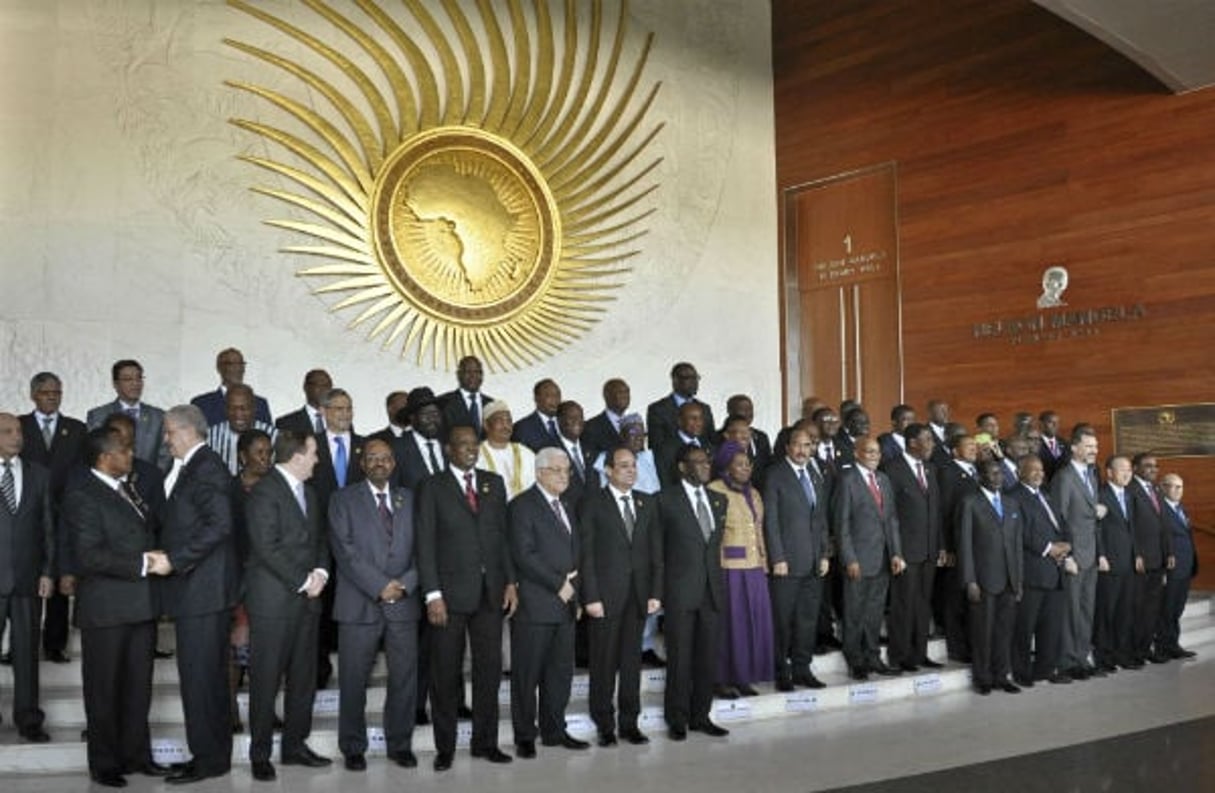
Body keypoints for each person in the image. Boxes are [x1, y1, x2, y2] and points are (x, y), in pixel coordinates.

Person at [62, 426, 169, 787]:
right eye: (124, 450)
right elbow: (90, 556)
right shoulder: (83, 495)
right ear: (105, 457)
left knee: (138, 688)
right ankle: (105, 763)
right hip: (106, 610)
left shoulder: (127, 488)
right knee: (104, 690)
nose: (131, 456)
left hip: (139, 606)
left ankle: (137, 756)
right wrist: (143, 563)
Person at [415, 425, 517, 771]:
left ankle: (485, 743)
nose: (470, 450)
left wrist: (510, 582)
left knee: (489, 672)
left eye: (474, 444)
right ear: (448, 449)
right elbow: (425, 545)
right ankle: (445, 748)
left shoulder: (493, 483)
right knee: (445, 673)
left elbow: (502, 537)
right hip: (449, 597)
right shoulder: (432, 487)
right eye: (463, 445)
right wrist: (432, 595)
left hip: (490, 594)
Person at [157, 404, 239, 784]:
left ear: (186, 430)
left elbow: (219, 524)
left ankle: (207, 759)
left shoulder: (206, 467)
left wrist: (175, 559)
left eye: (168, 432)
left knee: (200, 678)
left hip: (203, 592)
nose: (165, 439)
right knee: (203, 677)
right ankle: (211, 755)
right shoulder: (198, 465)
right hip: (199, 592)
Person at [243, 431, 331, 782]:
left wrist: (322, 571)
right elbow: (267, 547)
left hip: (307, 602)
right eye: (313, 453)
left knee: (303, 678)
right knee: (265, 679)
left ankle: (295, 746)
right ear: (296, 456)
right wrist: (305, 580)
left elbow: (321, 539)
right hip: (274, 603)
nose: (317, 460)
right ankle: (260, 754)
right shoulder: (264, 492)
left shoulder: (309, 492)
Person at [329, 439, 421, 771]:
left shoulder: (410, 499)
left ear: (394, 464)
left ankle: (400, 744)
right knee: (353, 679)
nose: (380, 463)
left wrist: (406, 585)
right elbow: (345, 550)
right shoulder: (342, 500)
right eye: (372, 458)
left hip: (403, 604)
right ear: (363, 464)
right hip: (359, 604)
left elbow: (424, 549)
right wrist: (381, 586)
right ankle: (353, 746)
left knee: (404, 678)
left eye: (385, 458)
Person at [578, 445, 662, 746]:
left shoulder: (646, 503)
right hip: (605, 597)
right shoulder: (592, 504)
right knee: (602, 663)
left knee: (631, 663)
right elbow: (585, 555)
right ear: (609, 470)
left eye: (633, 466)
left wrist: (655, 592)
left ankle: (629, 723)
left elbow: (656, 552)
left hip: (639, 597)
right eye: (624, 466)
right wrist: (590, 596)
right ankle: (604, 724)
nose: (631, 470)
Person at [508, 448, 587, 757]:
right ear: (539, 473)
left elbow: (575, 555)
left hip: (566, 605)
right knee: (527, 674)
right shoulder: (521, 506)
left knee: (559, 673)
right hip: (536, 604)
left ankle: (555, 730)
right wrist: (560, 585)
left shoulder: (566, 504)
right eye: (556, 470)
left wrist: (574, 595)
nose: (563, 475)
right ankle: (525, 735)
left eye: (566, 470)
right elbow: (524, 555)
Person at [658, 445, 729, 741]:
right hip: (679, 591)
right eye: (697, 462)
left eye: (707, 461)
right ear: (682, 467)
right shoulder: (665, 500)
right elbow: (657, 551)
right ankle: (677, 718)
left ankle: (701, 715)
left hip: (711, 591)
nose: (704, 466)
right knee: (679, 658)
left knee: (706, 658)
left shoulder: (718, 499)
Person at [19, 372, 87, 664]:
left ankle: (54, 644)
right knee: (26, 581)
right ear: (33, 395)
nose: (52, 397)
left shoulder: (76, 428)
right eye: (46, 392)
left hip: (63, 515)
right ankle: (21, 644)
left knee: (62, 578)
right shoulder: (17, 426)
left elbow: (83, 471)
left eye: (57, 392)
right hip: (26, 514)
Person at [0, 413, 54, 742]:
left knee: (26, 653)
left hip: (29, 579)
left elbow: (49, 528)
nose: (16, 436)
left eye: (18, 430)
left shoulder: (39, 475)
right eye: (7, 431)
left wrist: (48, 571)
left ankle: (29, 719)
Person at [762, 426, 829, 691]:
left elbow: (820, 518)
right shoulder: (775, 475)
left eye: (808, 446)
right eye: (798, 445)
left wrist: (824, 553)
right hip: (786, 563)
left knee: (807, 619)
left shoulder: (815, 474)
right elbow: (771, 521)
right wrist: (777, 556)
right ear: (788, 447)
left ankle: (802, 668)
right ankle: (781, 671)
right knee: (782, 621)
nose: (803, 451)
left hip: (814, 562)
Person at [833, 437, 905, 680]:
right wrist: (849, 558)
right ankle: (855, 659)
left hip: (883, 558)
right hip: (858, 559)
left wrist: (896, 553)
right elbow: (840, 523)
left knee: (874, 612)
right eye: (869, 451)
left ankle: (873, 656)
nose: (874, 456)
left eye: (877, 452)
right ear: (856, 453)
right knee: (854, 612)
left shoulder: (883, 479)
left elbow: (892, 520)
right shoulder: (847, 480)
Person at [707, 442, 773, 698]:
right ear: (726, 466)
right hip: (729, 569)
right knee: (729, 626)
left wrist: (764, 560)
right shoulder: (714, 490)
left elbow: (758, 529)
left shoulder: (754, 493)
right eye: (739, 464)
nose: (745, 468)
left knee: (751, 624)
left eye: (748, 464)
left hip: (755, 567)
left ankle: (743, 676)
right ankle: (721, 679)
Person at [881, 423, 945, 672]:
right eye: (927, 439)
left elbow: (936, 511)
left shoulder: (930, 469)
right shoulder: (892, 469)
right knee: (903, 604)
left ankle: (920, 653)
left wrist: (940, 546)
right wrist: (895, 551)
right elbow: (890, 515)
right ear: (912, 443)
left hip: (928, 550)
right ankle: (900, 656)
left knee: (922, 604)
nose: (932, 444)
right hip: (905, 551)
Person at [958, 459, 1024, 695]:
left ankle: (1001, 675)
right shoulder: (970, 503)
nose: (999, 478)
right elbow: (964, 544)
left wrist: (1019, 580)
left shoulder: (1011, 503)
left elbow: (1017, 545)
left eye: (1001, 473)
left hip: (1009, 578)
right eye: (993, 474)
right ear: (980, 477)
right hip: (983, 579)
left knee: (1004, 631)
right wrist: (970, 580)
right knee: (982, 631)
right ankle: (983, 677)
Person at [1009, 455, 1072, 686]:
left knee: (1051, 625)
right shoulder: (1014, 496)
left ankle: (1046, 669)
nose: (1039, 473)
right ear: (1019, 472)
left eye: (1041, 469)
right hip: (1032, 572)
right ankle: (1022, 672)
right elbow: (1020, 532)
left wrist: (1067, 544)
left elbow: (1062, 524)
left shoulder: (1046, 494)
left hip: (1056, 572)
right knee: (1024, 627)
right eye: (1032, 469)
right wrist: (1049, 548)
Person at [228, 428, 274, 733]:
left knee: (267, 651)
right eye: (259, 452)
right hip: (234, 579)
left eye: (269, 452)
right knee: (233, 650)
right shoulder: (228, 490)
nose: (265, 458)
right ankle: (230, 710)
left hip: (269, 581)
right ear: (242, 456)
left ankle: (265, 711)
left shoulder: (277, 488)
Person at [1051, 427, 1104, 681]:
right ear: (1074, 448)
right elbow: (1058, 518)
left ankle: (1082, 658)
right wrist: (1066, 555)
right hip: (1073, 556)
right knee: (1070, 611)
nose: (1094, 450)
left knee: (1086, 610)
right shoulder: (1064, 477)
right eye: (1089, 446)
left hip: (1091, 554)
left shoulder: (1092, 476)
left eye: (1095, 446)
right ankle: (1068, 661)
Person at [1094, 455, 1137, 672]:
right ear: (1109, 472)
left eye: (1129, 469)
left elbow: (1133, 530)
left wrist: (1137, 555)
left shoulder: (1129, 495)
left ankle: (1122, 654)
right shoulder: (1100, 494)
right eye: (1122, 469)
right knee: (1106, 612)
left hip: (1129, 563)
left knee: (1125, 612)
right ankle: (1104, 657)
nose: (1127, 473)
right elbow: (1096, 528)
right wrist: (1100, 555)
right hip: (1109, 563)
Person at [86, 359, 170, 470]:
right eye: (128, 379)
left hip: (148, 483)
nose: (135, 384)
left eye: (139, 378)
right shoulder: (98, 416)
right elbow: (95, 454)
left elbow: (165, 456)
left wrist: (150, 480)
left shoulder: (158, 416)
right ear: (115, 384)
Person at [1128, 453, 1172, 664]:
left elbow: (1164, 525)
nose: (1153, 469)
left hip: (1158, 559)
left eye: (1155, 466)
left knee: (1152, 608)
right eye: (1148, 466)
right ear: (1135, 468)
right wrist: (1136, 553)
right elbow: (1131, 527)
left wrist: (1169, 552)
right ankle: (1134, 651)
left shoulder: (1156, 490)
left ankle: (1145, 649)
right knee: (1138, 608)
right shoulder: (1131, 490)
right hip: (1141, 561)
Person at [1156, 473, 1197, 660]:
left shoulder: (1181, 509)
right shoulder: (1160, 509)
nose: (1178, 491)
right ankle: (1163, 647)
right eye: (1173, 486)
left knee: (1177, 609)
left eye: (1180, 487)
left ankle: (1173, 645)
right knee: (1167, 609)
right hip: (1171, 567)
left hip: (1185, 567)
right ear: (1163, 487)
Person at [647, 362, 715, 472]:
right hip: (672, 470)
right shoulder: (658, 409)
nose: (695, 382)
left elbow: (711, 441)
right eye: (689, 378)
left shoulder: (705, 408)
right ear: (675, 380)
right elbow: (656, 447)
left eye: (696, 378)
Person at [190, 348, 273, 427]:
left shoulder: (260, 403)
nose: (237, 368)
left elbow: (268, 437)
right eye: (230, 364)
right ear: (219, 368)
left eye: (240, 364)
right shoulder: (201, 405)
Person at [205, 384, 277, 475]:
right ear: (225, 409)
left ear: (254, 408)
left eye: (244, 408)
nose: (238, 414)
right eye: (232, 408)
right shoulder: (210, 437)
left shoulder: (274, 436)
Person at [477, 400, 536, 499]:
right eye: (500, 421)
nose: (506, 426)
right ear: (486, 425)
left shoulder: (525, 452)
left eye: (509, 421)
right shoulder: (477, 454)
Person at [391, 387, 446, 491]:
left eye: (435, 414)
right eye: (425, 414)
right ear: (412, 418)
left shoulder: (449, 445)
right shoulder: (398, 448)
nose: (432, 419)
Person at [439, 355, 494, 441]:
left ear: (482, 375)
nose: (473, 376)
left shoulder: (492, 404)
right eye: (468, 372)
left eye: (477, 372)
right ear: (458, 375)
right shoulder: (444, 402)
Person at [582, 378, 631, 462]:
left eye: (627, 392)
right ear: (607, 396)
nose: (625, 395)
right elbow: (592, 461)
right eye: (620, 392)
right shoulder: (591, 427)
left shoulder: (633, 423)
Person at [274, 369, 332, 436]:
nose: (324, 389)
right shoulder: (286, 424)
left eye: (327, 385)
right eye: (318, 385)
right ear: (306, 387)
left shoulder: (341, 421)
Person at [511, 378, 564, 452]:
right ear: (536, 399)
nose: (555, 399)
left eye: (557, 395)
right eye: (548, 395)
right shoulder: (522, 429)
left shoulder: (568, 424)